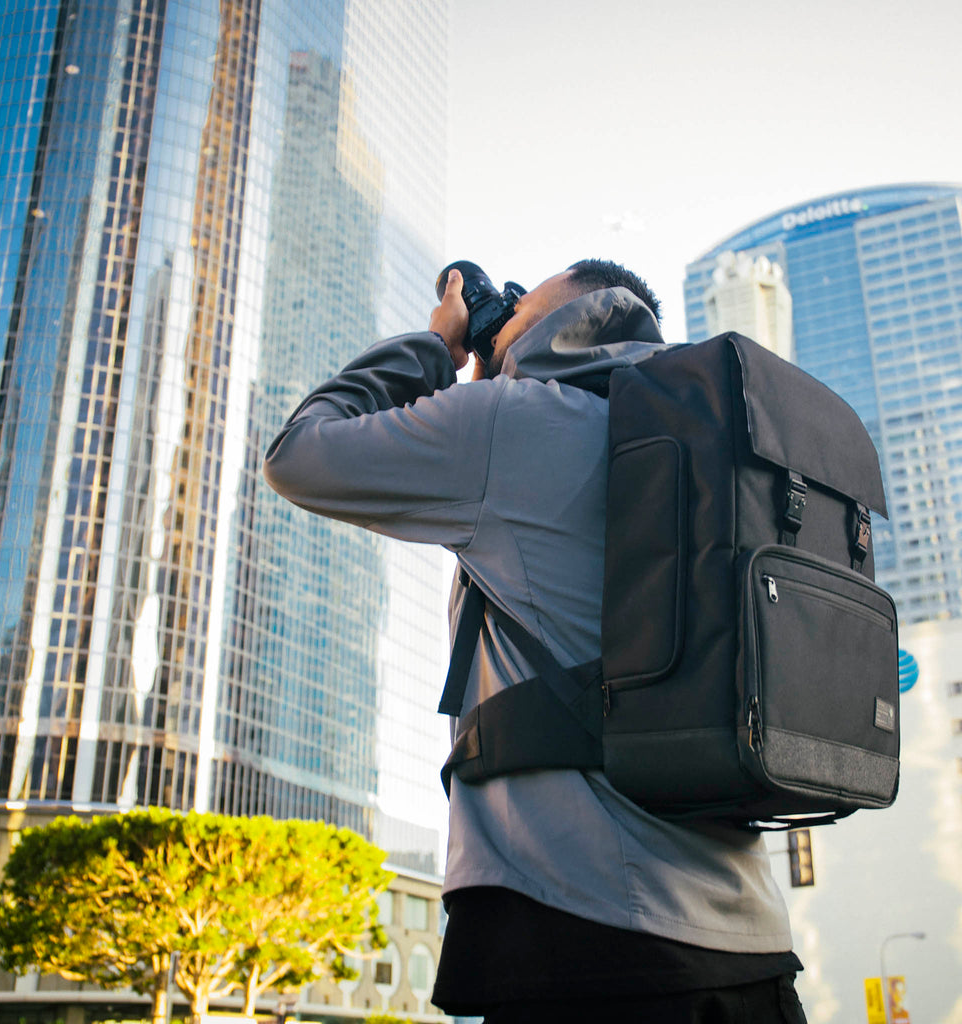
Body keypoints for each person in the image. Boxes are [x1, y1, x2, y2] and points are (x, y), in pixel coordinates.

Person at [264, 259, 808, 1023]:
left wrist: (435, 350)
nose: (503, 310)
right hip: (754, 949)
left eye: (519, 305)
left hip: (586, 945)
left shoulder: (510, 421)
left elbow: (298, 455)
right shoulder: (704, 450)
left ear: (565, 319)